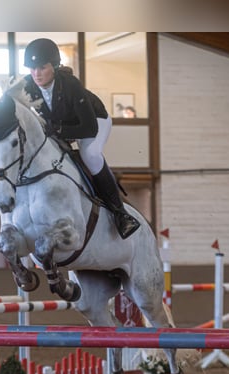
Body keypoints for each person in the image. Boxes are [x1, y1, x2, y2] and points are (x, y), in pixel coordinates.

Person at [21, 38, 140, 239]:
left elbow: (89, 128)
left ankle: (121, 214)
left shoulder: (70, 85)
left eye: (42, 67)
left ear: (54, 66)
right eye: (32, 68)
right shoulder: (28, 85)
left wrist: (57, 131)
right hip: (62, 128)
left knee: (90, 154)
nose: (36, 74)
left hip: (95, 121)